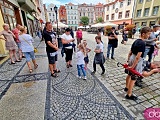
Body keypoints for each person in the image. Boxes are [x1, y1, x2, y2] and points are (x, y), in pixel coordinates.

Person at [124, 27, 151, 101]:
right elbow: (138, 57)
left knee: (129, 74)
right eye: (148, 34)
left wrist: (128, 61)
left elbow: (130, 52)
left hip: (132, 58)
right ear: (143, 34)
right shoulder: (142, 43)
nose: (149, 36)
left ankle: (126, 88)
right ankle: (129, 94)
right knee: (134, 78)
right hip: (136, 61)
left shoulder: (136, 41)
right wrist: (133, 66)